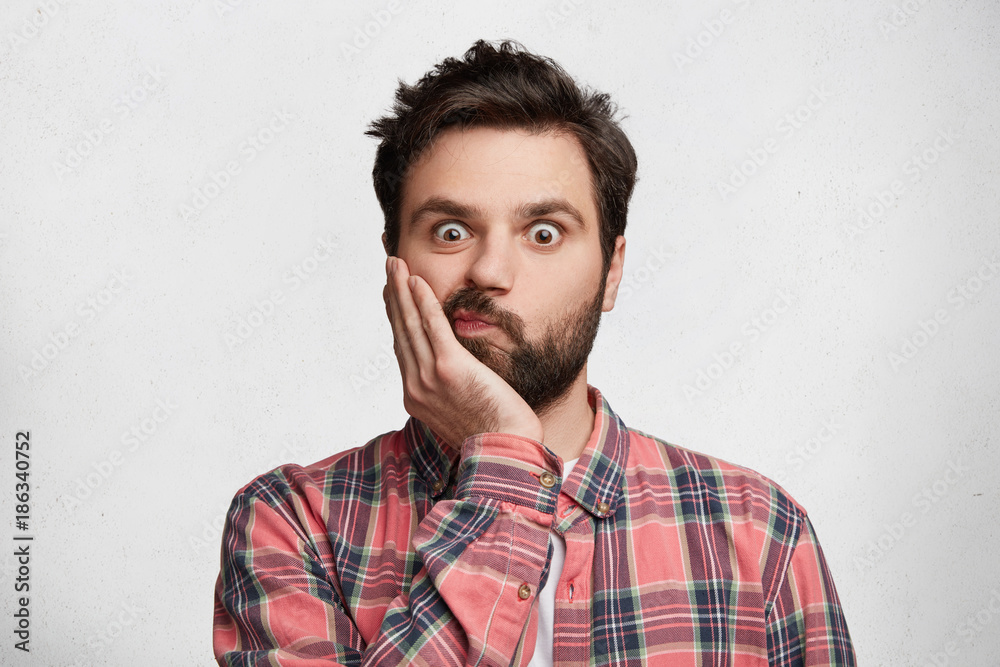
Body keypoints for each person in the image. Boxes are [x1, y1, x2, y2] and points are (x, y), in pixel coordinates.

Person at [213, 39, 855, 666]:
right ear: (394, 261)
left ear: (611, 272)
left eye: (544, 233)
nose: (490, 270)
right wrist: (503, 466)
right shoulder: (292, 522)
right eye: (451, 231)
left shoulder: (759, 530)